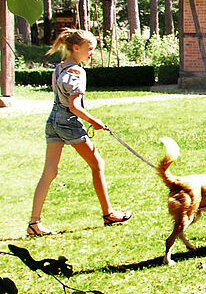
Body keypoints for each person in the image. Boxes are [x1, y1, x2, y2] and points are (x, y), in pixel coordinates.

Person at [27, 28, 132, 236]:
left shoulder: (60, 67)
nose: (92, 52)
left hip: (53, 120)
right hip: (68, 121)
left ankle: (34, 224)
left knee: (50, 172)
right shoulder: (77, 71)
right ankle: (109, 213)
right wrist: (95, 121)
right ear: (76, 48)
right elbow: (75, 107)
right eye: (89, 48)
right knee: (97, 164)